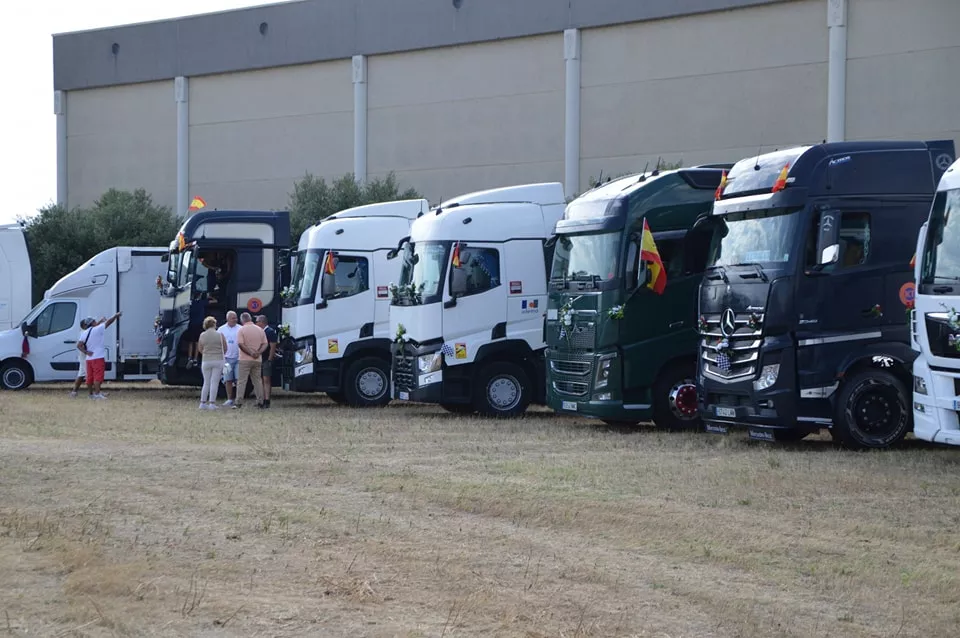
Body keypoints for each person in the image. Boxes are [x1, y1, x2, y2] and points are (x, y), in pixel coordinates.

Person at [78, 311, 122, 399]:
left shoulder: (84, 332)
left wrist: (86, 352)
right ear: (92, 323)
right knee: (98, 377)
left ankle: (91, 394)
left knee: (89, 377)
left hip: (89, 358)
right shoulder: (98, 329)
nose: (95, 321)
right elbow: (109, 322)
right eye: (94, 321)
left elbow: (79, 345)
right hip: (98, 357)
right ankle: (97, 394)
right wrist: (116, 316)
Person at [235, 312, 267, 409]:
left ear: (242, 320)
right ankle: (260, 401)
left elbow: (241, 344)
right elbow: (265, 344)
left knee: (242, 381)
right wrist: (258, 352)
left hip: (244, 359)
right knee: (257, 381)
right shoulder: (260, 330)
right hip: (257, 360)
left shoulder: (241, 330)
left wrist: (250, 353)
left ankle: (239, 401)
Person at [197, 316, 228, 410]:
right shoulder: (219, 334)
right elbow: (225, 348)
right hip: (218, 359)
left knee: (206, 382)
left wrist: (206, 353)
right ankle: (212, 403)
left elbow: (200, 348)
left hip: (206, 360)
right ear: (214, 324)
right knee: (214, 382)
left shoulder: (202, 335)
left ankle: (202, 402)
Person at [217, 311, 241, 406]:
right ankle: (229, 399)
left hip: (239, 359)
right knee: (228, 379)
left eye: (236, 317)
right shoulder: (221, 329)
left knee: (239, 379)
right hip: (226, 359)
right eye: (233, 318)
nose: (235, 319)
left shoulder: (241, 328)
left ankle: (238, 399)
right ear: (228, 319)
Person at [69, 317, 96, 397]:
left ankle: (74, 392)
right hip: (85, 356)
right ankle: (91, 394)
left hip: (83, 356)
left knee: (81, 374)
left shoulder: (84, 332)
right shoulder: (84, 332)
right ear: (84, 325)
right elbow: (80, 345)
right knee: (89, 375)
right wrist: (86, 352)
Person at [256, 315, 278, 409]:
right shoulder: (260, 332)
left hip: (266, 359)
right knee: (260, 380)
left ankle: (267, 400)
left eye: (257, 321)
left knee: (266, 380)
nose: (256, 323)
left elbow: (273, 346)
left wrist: (270, 359)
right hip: (260, 359)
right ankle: (261, 399)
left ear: (262, 322)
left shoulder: (270, 332)